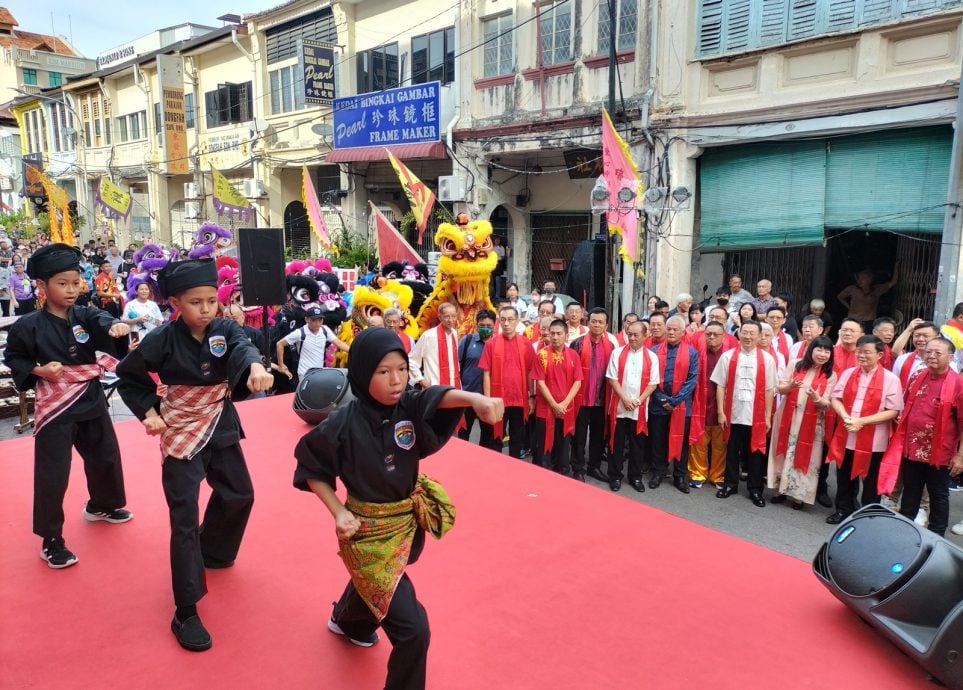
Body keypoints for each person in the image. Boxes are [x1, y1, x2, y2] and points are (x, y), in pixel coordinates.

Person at [293, 327, 503, 690]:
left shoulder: (408, 406)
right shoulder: (343, 423)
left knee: (380, 583)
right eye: (383, 371)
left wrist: (475, 400)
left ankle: (348, 620)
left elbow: (436, 397)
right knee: (414, 631)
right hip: (367, 536)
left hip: (404, 524)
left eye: (402, 369)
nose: (396, 380)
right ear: (362, 373)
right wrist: (338, 512)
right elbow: (311, 467)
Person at [116, 258, 275, 652]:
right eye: (195, 302)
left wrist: (255, 368)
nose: (206, 309)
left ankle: (214, 550)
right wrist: (149, 413)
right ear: (174, 303)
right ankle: (185, 610)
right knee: (184, 518)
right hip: (179, 427)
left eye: (211, 301)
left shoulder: (224, 328)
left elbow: (242, 347)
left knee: (240, 494)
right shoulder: (161, 339)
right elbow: (129, 376)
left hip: (218, 419)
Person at [3, 244, 133, 569]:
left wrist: (115, 327)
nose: (71, 289)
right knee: (53, 472)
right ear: (42, 286)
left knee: (105, 455)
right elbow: (14, 357)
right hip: (55, 403)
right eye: (62, 283)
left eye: (76, 282)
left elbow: (103, 320)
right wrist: (40, 370)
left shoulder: (85, 315)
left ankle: (101, 505)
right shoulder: (28, 325)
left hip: (89, 395)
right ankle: (51, 539)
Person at [878, 337, 963, 537]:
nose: (931, 356)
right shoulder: (918, 375)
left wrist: (960, 455)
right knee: (910, 490)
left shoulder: (958, 384)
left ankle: (936, 536)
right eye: (928, 352)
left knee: (938, 494)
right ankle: (906, 531)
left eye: (937, 353)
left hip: (940, 452)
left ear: (950, 357)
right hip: (911, 447)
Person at [825, 335, 903, 524]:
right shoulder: (849, 373)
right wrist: (845, 416)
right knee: (844, 476)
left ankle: (867, 516)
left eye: (867, 352)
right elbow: (836, 398)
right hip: (847, 432)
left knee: (870, 480)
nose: (861, 356)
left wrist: (862, 421)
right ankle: (843, 509)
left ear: (879, 355)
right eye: (859, 352)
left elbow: (893, 411)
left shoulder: (890, 379)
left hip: (875, 440)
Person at [712, 321, 777, 507]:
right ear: (739, 334)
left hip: (756, 415)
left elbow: (769, 390)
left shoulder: (767, 360)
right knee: (731, 450)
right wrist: (720, 412)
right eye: (744, 332)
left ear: (759, 336)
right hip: (733, 413)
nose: (748, 336)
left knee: (755, 453)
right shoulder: (727, 357)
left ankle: (755, 489)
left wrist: (767, 416)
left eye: (752, 333)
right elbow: (720, 385)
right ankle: (730, 484)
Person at [768, 337, 836, 509]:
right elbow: (780, 388)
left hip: (812, 422)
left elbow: (827, 403)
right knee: (783, 451)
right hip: (788, 416)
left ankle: (798, 495)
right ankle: (778, 490)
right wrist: (790, 386)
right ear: (811, 350)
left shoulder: (830, 375)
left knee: (807, 456)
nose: (822, 354)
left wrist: (816, 398)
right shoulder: (795, 364)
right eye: (819, 349)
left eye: (827, 351)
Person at [605, 320, 660, 492]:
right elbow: (612, 378)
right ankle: (615, 475)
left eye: (636, 335)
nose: (632, 338)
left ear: (645, 336)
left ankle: (635, 477)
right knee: (617, 443)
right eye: (630, 334)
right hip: (619, 407)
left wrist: (638, 401)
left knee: (638, 445)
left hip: (639, 408)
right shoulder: (617, 353)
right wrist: (625, 399)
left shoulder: (652, 357)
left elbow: (653, 383)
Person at [648, 315, 699, 492]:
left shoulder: (692, 353)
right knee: (658, 440)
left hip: (681, 405)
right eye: (668, 329)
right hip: (658, 403)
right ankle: (658, 472)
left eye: (675, 329)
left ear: (683, 332)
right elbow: (650, 378)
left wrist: (675, 401)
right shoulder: (654, 351)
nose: (670, 332)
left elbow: (692, 380)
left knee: (681, 442)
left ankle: (680, 475)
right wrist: (662, 399)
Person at [480, 305, 536, 460]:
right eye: (503, 320)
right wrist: (487, 400)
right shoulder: (491, 344)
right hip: (498, 400)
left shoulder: (525, 343)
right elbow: (486, 373)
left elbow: (530, 372)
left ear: (517, 321)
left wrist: (532, 397)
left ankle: (513, 469)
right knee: (495, 438)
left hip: (519, 399)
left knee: (517, 439)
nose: (506, 323)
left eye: (510, 319)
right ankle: (497, 468)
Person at [570, 308, 618, 481]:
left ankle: (594, 467)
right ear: (588, 322)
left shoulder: (611, 347)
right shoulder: (577, 344)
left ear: (606, 326)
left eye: (600, 322)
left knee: (598, 436)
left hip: (601, 398)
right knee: (579, 436)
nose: (597, 325)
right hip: (581, 398)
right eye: (594, 321)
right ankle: (577, 468)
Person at [531, 319, 582, 474]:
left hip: (565, 409)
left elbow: (578, 382)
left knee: (563, 444)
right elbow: (540, 383)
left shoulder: (573, 355)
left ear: (566, 335)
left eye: (559, 333)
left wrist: (564, 404)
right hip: (545, 408)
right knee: (544, 445)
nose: (555, 337)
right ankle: (544, 475)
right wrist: (554, 404)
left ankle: (563, 473)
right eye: (552, 333)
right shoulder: (542, 355)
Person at [688, 322, 733, 489]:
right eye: (708, 334)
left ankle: (718, 475)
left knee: (720, 443)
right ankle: (697, 473)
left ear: (724, 336)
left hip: (722, 405)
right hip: (701, 402)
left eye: (716, 334)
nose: (711, 337)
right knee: (699, 441)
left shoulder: (729, 355)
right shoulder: (697, 353)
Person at [457, 309, 499, 450]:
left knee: (487, 434)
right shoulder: (467, 341)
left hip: (488, 397)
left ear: (494, 325)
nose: (485, 328)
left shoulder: (498, 344)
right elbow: (457, 364)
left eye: (489, 325)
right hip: (468, 395)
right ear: (476, 325)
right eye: (482, 325)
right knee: (464, 433)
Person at [277, 305, 350, 381]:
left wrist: (354, 350)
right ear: (306, 319)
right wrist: (281, 365)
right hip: (304, 373)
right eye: (314, 320)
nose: (317, 323)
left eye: (320, 320)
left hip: (319, 372)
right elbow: (280, 344)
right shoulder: (300, 333)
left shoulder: (325, 330)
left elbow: (339, 344)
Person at [409, 302, 461, 388]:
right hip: (434, 388)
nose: (451, 319)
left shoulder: (454, 333)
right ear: (440, 317)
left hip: (455, 386)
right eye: (447, 316)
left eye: (453, 316)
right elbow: (411, 360)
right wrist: (422, 381)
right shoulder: (429, 335)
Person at [837, 266, 898, 330]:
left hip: (869, 321)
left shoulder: (877, 289)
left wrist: (896, 267)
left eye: (863, 278)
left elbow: (893, 282)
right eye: (859, 278)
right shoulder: (852, 289)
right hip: (853, 319)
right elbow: (840, 297)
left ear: (870, 280)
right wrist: (848, 306)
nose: (859, 281)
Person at [892, 321, 940, 389]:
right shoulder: (902, 359)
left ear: (937, 338)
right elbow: (893, 386)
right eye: (917, 335)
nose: (920, 339)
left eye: (926, 336)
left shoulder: (946, 363)